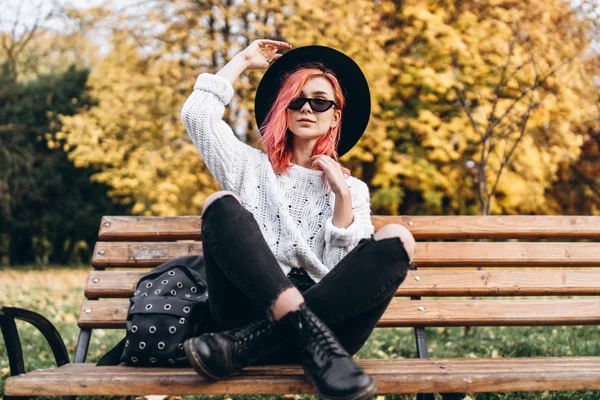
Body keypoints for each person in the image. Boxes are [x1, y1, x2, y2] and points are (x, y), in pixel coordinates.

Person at [180, 39, 416, 400]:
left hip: (320, 328)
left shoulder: (352, 190)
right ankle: (294, 327)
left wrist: (342, 198)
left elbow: (342, 277)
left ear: (335, 115)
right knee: (222, 203)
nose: (307, 107)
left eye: (319, 101)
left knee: (399, 237)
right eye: (296, 99)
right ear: (284, 111)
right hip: (251, 310)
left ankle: (249, 344)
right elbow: (197, 116)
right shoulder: (249, 168)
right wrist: (242, 60)